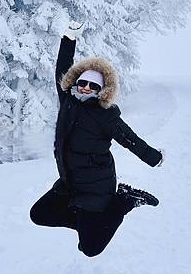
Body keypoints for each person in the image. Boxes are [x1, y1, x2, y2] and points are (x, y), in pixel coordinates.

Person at [30, 21, 164, 258]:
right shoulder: (68, 101)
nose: (86, 88)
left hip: (96, 185)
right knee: (39, 214)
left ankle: (124, 200)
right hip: (70, 182)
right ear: (76, 83)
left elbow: (130, 139)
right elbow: (62, 67)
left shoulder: (106, 114)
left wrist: (154, 158)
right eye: (82, 83)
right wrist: (69, 37)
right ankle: (87, 223)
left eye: (93, 86)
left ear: (101, 90)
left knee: (90, 248)